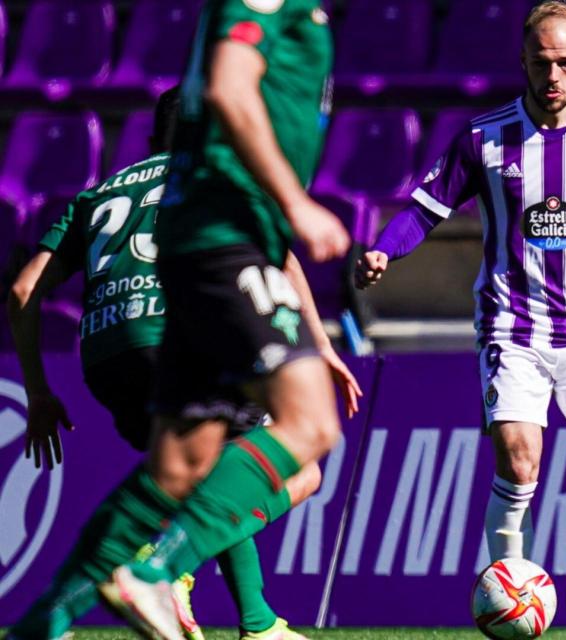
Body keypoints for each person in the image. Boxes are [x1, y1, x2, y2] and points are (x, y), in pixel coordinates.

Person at [355, 2, 566, 639]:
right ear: (522, 60)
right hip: (514, 328)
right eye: (541, 61)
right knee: (519, 457)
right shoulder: (483, 137)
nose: (552, 75)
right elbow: (425, 207)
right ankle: (508, 583)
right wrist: (385, 248)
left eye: (564, 63)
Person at [5, 88, 359, 640]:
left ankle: (56, 620)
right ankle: (184, 578)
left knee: (206, 469)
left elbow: (24, 292)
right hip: (184, 332)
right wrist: (321, 346)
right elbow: (281, 259)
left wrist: (39, 393)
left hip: (104, 352)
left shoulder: (97, 192)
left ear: (151, 138)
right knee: (301, 465)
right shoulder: (218, 175)